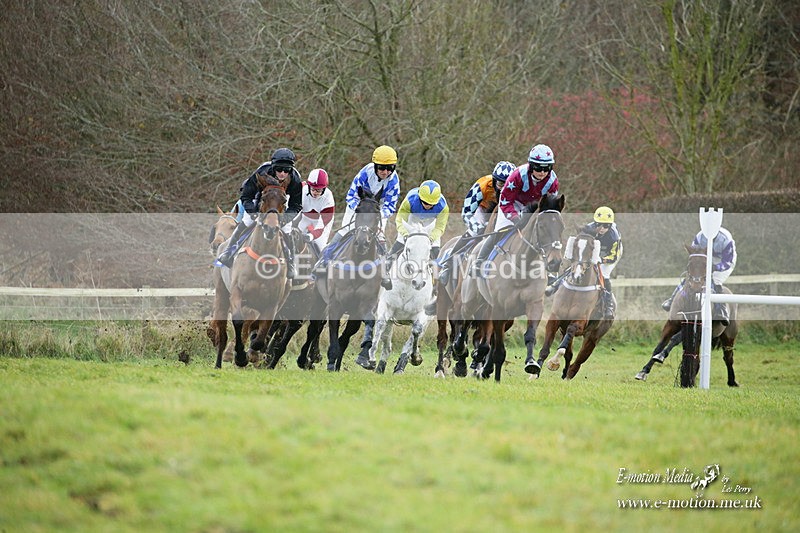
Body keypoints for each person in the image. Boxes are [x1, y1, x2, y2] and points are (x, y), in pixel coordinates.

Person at [472, 144, 560, 276]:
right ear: (531, 166)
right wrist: (515, 218)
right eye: (538, 168)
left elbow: (548, 207)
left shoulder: (553, 182)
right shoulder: (518, 175)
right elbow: (505, 201)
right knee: (499, 231)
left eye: (546, 168)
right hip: (512, 204)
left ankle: (550, 271)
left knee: (546, 232)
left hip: (533, 208)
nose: (542, 172)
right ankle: (479, 261)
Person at [216, 147, 303, 279]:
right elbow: (246, 196)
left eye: (286, 170)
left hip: (281, 203)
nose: (282, 173)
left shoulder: (295, 180)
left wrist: (284, 219)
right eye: (279, 169)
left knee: (287, 229)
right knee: (247, 222)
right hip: (260, 199)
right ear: (273, 167)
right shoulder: (262, 173)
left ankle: (291, 263)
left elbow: (296, 205)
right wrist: (253, 212)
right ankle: (229, 252)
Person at [315, 145, 401, 271]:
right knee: (346, 230)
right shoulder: (365, 173)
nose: (385, 172)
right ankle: (324, 259)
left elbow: (391, 206)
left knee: (380, 236)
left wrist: (378, 214)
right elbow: (351, 196)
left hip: (378, 209)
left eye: (390, 168)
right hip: (359, 206)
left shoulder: (394, 181)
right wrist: (361, 210)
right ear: (375, 166)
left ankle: (386, 270)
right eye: (382, 168)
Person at [438, 161, 516, 286]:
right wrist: (478, 227)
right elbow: (466, 212)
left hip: (507, 211)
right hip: (484, 211)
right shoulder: (483, 185)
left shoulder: (518, 186)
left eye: (507, 184)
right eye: (501, 184)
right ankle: (448, 265)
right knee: (474, 232)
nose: (504, 189)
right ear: (494, 181)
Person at [546, 206, 622, 319]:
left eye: (606, 226)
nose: (602, 228)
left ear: (610, 226)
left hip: (610, 254)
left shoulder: (613, 237)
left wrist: (601, 260)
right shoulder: (589, 229)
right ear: (595, 223)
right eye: (599, 224)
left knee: (604, 274)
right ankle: (555, 284)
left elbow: (613, 256)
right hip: (593, 250)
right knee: (576, 267)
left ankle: (608, 304)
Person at [381, 180, 449, 290]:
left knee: (436, 252)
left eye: (431, 204)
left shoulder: (443, 207)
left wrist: (431, 239)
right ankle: (385, 274)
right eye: (425, 203)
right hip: (412, 220)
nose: (428, 206)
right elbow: (400, 220)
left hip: (431, 223)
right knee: (397, 246)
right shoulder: (410, 200)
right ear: (420, 198)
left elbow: (440, 228)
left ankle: (436, 285)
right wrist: (405, 234)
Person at [661, 226, 737, 325]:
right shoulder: (700, 237)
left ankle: (721, 310)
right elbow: (693, 254)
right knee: (689, 278)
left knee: (715, 280)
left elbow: (727, 262)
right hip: (704, 260)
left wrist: (715, 267)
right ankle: (672, 300)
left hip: (723, 261)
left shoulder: (726, 240)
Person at [292, 168, 335, 258]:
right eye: (313, 189)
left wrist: (312, 236)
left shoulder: (328, 198)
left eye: (318, 190)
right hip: (304, 217)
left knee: (319, 244)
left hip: (321, 221)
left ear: (324, 189)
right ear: (308, 186)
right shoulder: (301, 190)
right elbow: (294, 211)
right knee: (294, 237)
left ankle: (323, 263)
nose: (315, 192)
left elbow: (321, 226)